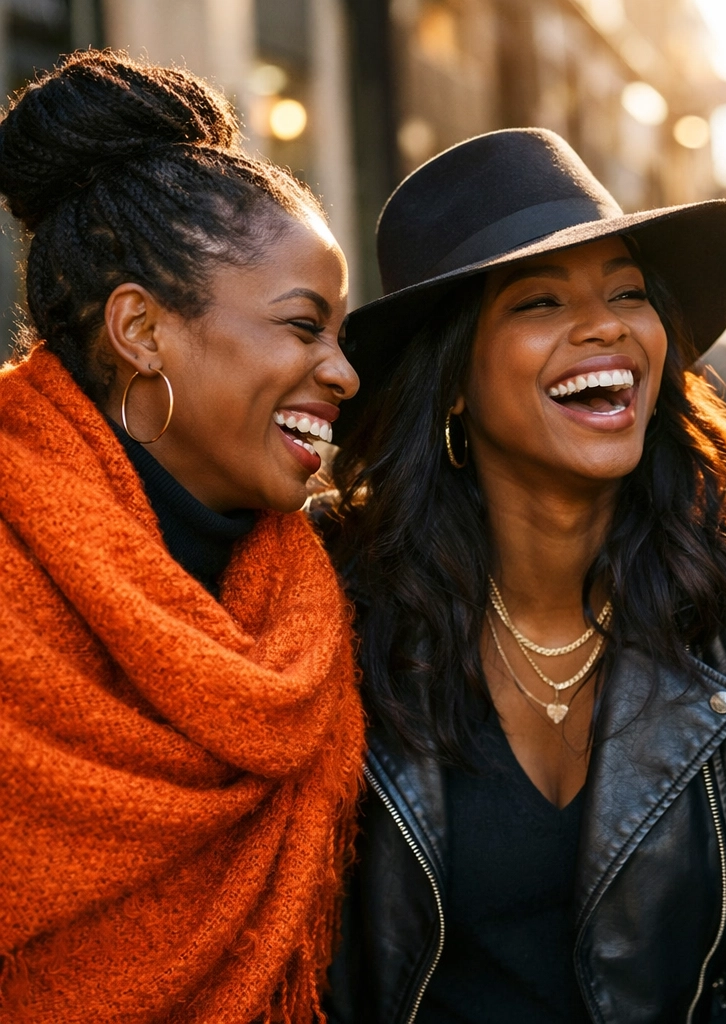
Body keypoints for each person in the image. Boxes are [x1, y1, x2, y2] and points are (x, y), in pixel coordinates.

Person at [323, 128, 726, 1024]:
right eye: (539, 302)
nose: (607, 326)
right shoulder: (334, 588)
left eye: (628, 293)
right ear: (452, 377)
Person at [0, 52, 365, 1023]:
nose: (343, 372)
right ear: (141, 330)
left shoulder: (323, 591)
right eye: (304, 327)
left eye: (340, 336)